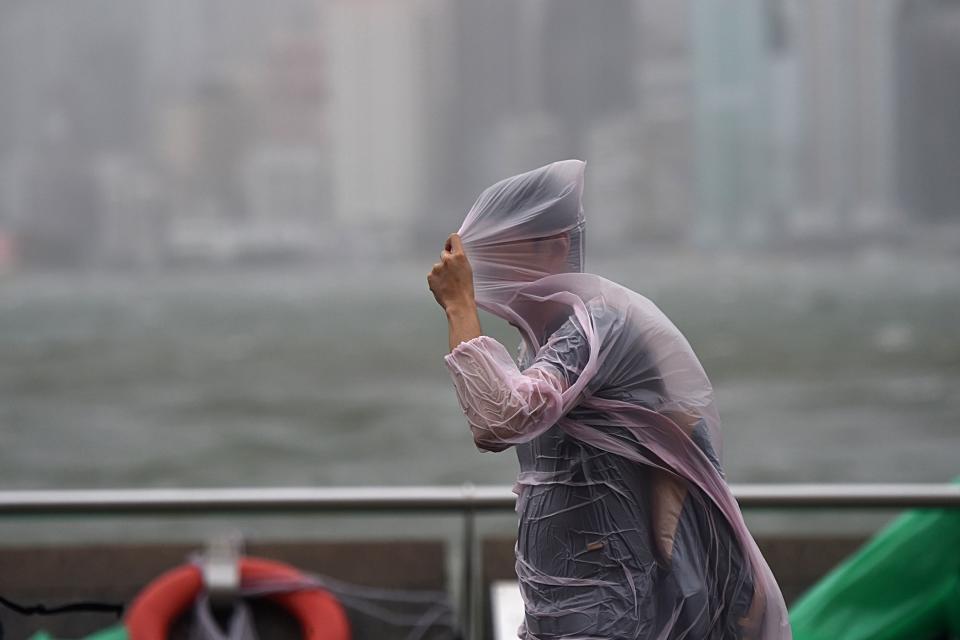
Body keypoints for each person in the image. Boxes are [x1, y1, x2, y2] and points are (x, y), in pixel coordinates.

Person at [428, 160, 791, 639]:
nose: (485, 267)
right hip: (557, 599)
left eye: (501, 250)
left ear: (555, 247)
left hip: (606, 605)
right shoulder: (545, 336)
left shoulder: (597, 326)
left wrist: (459, 306)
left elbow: (502, 418)